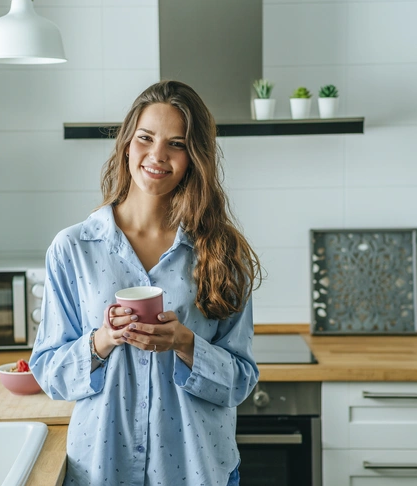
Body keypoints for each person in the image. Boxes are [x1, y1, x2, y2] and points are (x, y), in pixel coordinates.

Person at [29, 80, 261, 485]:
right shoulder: (73, 248)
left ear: (195, 158)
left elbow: (240, 380)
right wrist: (101, 341)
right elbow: (49, 372)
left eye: (177, 143)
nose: (157, 155)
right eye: (145, 138)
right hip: (103, 469)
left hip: (196, 471)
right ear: (125, 144)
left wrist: (185, 343)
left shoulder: (222, 251)